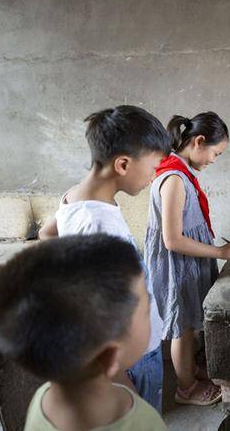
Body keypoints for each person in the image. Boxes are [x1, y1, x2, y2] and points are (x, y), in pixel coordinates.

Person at [38, 105, 171, 411]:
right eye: (153, 169)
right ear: (123, 164)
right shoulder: (100, 225)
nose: (153, 178)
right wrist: (122, 383)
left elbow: (47, 233)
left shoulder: (75, 197)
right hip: (133, 362)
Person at [0, 235, 167, 431]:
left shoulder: (44, 398)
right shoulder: (143, 423)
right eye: (146, 310)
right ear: (110, 357)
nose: (150, 307)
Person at [145, 112, 230, 405]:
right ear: (199, 141)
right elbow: (172, 240)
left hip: (187, 263)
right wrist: (220, 252)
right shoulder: (174, 179)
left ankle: (189, 369)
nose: (214, 160)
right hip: (176, 265)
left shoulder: (182, 174)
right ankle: (185, 388)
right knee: (182, 328)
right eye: (215, 153)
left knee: (190, 320)